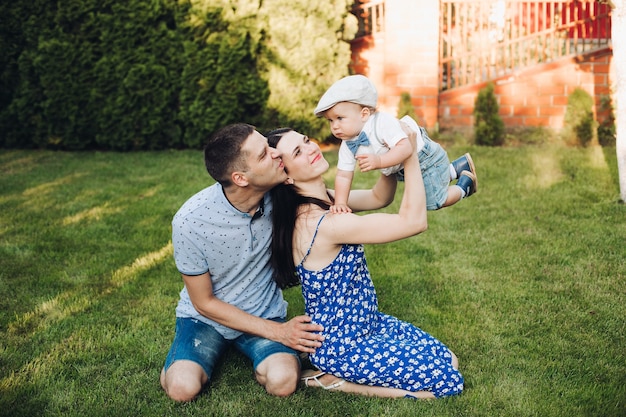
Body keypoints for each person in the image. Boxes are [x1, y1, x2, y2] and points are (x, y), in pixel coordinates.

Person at [267, 125, 464, 399]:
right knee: (447, 383)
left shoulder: (328, 200)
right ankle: (331, 380)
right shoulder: (323, 223)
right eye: (298, 152)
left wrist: (389, 156)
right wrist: (407, 156)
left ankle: (336, 372)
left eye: (306, 141)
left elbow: (379, 197)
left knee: (449, 359)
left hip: (369, 324)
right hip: (343, 346)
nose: (311, 148)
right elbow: (414, 222)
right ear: (285, 177)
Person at [160, 123, 331, 402]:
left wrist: (390, 165)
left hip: (262, 310)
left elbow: (358, 200)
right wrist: (281, 332)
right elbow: (203, 302)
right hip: (205, 320)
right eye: (264, 154)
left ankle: (254, 355)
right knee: (182, 389)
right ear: (240, 178)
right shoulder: (190, 221)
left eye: (270, 145)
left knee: (284, 382)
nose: (277, 154)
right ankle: (184, 357)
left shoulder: (282, 194)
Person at [314, 74, 477, 214]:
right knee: (431, 184)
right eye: (330, 120)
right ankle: (457, 167)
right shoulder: (348, 144)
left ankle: (464, 186)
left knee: (433, 200)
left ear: (364, 114)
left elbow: (406, 147)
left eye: (340, 118)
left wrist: (379, 161)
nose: (334, 126)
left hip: (424, 159)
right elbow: (343, 175)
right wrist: (341, 203)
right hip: (403, 167)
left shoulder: (381, 124)